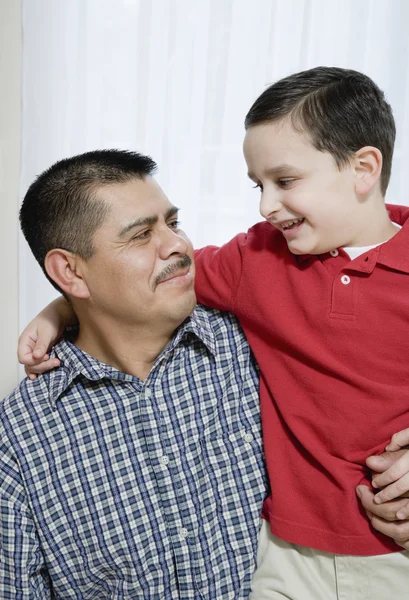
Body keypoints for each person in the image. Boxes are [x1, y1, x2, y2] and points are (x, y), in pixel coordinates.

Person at [18, 68, 409, 598]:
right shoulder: (258, 265)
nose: (266, 205)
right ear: (70, 271)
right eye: (141, 235)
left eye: (285, 181)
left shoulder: (237, 340)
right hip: (292, 556)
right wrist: (60, 307)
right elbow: (171, 276)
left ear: (364, 167)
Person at [1, 150, 268, 599]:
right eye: (142, 235)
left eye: (173, 223)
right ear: (70, 271)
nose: (178, 245)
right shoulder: (20, 439)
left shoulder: (256, 346)